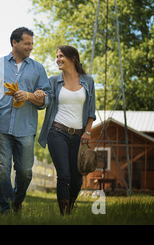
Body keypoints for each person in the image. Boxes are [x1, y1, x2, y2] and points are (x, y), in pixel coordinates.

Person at [0, 27, 51, 213]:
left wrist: (29, 96)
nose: (31, 47)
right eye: (27, 43)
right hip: (0, 125)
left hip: (26, 128)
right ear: (14, 43)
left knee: (24, 172)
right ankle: (5, 210)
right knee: (1, 169)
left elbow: (45, 99)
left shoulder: (38, 68)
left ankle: (17, 201)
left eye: (32, 43)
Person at [37, 45, 96, 215]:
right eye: (57, 56)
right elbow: (45, 100)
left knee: (77, 179)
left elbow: (91, 111)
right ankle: (64, 214)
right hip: (57, 132)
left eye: (61, 56)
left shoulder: (88, 81)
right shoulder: (53, 81)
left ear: (73, 58)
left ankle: (70, 206)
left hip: (78, 135)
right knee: (64, 175)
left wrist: (87, 131)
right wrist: (40, 93)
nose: (58, 59)